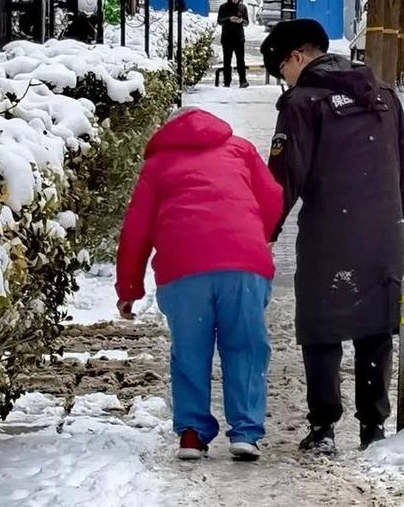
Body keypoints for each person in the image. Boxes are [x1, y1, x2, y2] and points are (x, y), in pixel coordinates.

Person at [260, 19, 404, 456]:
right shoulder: (383, 95)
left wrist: (265, 230)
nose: (283, 80)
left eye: (280, 70)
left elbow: (285, 177)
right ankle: (373, 428)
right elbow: (402, 165)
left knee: (322, 327)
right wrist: (394, 220)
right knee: (374, 326)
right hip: (383, 232)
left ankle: (324, 427)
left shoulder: (302, 103)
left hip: (329, 229)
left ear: (295, 57)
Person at [115, 107, 283, 462]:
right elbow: (272, 198)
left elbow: (136, 230)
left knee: (190, 350)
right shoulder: (240, 149)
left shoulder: (157, 166)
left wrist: (129, 288)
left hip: (183, 269)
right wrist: (257, 234)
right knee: (247, 346)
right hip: (243, 264)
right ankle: (246, 433)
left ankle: (191, 434)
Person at [217, 0, 250, 88]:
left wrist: (241, 21)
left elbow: (247, 22)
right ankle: (227, 82)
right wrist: (229, 19)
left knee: (241, 60)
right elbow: (219, 20)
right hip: (227, 37)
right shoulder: (223, 7)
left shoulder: (242, 8)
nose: (235, 0)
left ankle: (243, 80)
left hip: (239, 38)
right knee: (227, 60)